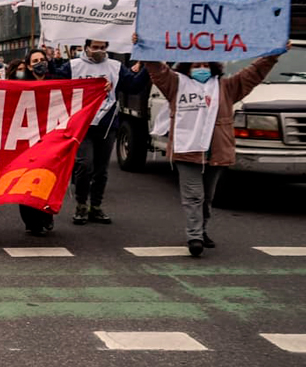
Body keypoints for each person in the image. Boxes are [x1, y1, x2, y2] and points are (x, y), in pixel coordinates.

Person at [135, 33, 287, 257]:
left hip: (216, 151)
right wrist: (145, 47)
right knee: (193, 196)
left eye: (206, 64)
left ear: (214, 67)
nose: (201, 68)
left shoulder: (226, 87)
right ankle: (194, 236)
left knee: (207, 197)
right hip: (187, 150)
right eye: (196, 65)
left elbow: (252, 74)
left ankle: (202, 230)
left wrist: (273, 54)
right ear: (187, 68)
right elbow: (158, 71)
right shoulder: (176, 85)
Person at [54, 39, 148, 226]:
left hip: (107, 125)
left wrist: (148, 65)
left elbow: (134, 86)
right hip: (82, 125)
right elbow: (54, 82)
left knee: (101, 170)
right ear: (86, 47)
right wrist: (52, 61)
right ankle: (81, 204)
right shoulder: (73, 66)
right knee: (84, 164)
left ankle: (95, 207)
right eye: (95, 47)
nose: (99, 51)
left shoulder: (115, 67)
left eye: (103, 48)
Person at [15, 48, 58, 235]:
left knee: (47, 179)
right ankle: (31, 222)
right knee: (25, 182)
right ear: (29, 66)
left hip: (50, 139)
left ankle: (46, 213)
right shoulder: (20, 84)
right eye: (35, 61)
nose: (40, 63)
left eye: (42, 59)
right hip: (26, 139)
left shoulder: (57, 82)